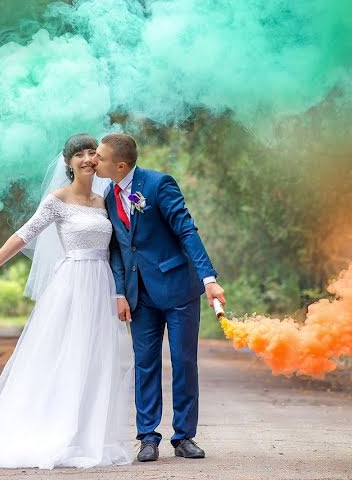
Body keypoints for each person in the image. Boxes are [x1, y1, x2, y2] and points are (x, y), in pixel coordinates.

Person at [0, 134, 134, 469]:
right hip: (72, 284)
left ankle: (87, 436)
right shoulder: (56, 199)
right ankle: (54, 431)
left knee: (98, 358)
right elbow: (24, 234)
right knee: (66, 355)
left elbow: (121, 247)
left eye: (93, 153)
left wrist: (124, 290)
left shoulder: (106, 200)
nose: (88, 159)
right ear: (69, 163)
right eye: (80, 155)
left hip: (101, 284)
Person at [94, 133, 225, 462]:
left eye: (100, 156)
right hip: (140, 296)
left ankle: (184, 437)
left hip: (178, 287)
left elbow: (186, 229)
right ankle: (147, 436)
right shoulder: (108, 195)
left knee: (183, 362)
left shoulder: (158, 185)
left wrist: (209, 278)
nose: (94, 161)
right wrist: (119, 291)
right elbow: (117, 249)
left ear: (120, 164)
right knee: (145, 365)